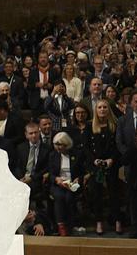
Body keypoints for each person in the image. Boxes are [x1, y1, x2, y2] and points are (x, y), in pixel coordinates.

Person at [86, 99, 122, 236]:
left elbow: (117, 145)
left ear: (109, 109)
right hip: (96, 165)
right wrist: (94, 160)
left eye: (105, 107)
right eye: (99, 107)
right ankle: (99, 222)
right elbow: (87, 148)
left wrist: (111, 159)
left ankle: (118, 220)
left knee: (114, 193)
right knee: (97, 194)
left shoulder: (115, 125)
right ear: (96, 110)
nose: (102, 109)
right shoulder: (90, 126)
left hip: (111, 164)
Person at [47, 131, 88, 236]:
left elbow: (82, 172)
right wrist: (57, 179)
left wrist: (78, 179)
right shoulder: (53, 155)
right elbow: (50, 173)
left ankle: (71, 224)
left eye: (61, 145)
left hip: (73, 183)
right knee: (59, 196)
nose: (58, 147)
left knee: (70, 197)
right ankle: (61, 226)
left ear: (67, 144)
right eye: (56, 144)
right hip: (58, 183)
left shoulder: (77, 154)